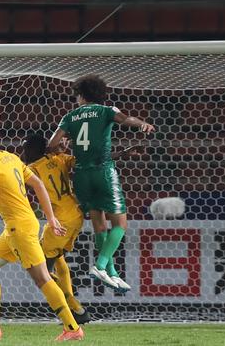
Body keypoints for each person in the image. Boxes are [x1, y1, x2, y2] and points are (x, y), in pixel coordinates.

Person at [0, 121, 84, 342]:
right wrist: (51, 217)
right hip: (16, 227)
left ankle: (72, 328)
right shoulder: (11, 157)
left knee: (42, 279)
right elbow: (38, 184)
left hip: (20, 229)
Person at [48, 74, 155, 290]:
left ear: (81, 95)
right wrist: (142, 124)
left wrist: (68, 144)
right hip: (103, 172)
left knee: (99, 223)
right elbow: (126, 120)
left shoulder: (70, 116)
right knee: (121, 224)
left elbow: (52, 144)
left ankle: (111, 272)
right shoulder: (107, 110)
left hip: (81, 175)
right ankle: (100, 264)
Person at [21, 133, 143, 321]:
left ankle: (74, 311)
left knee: (40, 273)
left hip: (60, 221)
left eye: (25, 148)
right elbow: (92, 161)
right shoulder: (60, 158)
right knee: (57, 259)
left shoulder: (30, 169)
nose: (23, 152)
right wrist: (122, 153)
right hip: (75, 215)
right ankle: (75, 310)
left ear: (31, 150)